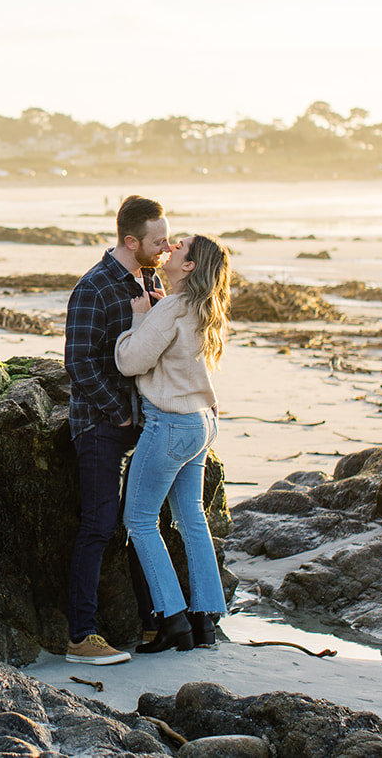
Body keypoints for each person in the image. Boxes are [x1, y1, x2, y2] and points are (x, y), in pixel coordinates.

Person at [63, 195, 171, 665]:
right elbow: (78, 363)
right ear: (131, 241)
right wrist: (118, 413)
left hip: (146, 421)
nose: (167, 246)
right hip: (101, 425)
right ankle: (81, 637)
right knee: (99, 527)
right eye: (158, 240)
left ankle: (154, 625)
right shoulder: (94, 287)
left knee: (146, 523)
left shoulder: (150, 279)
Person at [114, 234, 231, 653]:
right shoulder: (202, 309)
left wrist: (141, 319)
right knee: (191, 519)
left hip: (171, 425)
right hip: (204, 421)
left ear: (189, 267)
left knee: (140, 521)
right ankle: (205, 621)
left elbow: (130, 361)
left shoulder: (169, 309)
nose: (170, 247)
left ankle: (173, 618)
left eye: (179, 246)